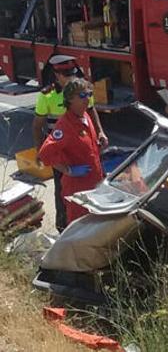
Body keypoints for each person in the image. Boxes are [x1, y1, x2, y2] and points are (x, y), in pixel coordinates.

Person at [32, 55, 108, 232]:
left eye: (89, 94)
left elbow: (91, 111)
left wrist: (100, 132)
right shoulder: (48, 96)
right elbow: (38, 129)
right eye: (83, 96)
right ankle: (62, 229)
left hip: (89, 177)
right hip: (66, 158)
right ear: (57, 75)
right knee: (65, 203)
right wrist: (66, 169)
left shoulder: (84, 112)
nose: (87, 98)